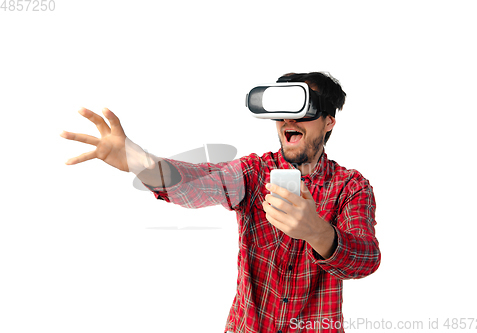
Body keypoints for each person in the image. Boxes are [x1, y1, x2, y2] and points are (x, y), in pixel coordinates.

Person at [60, 72, 381, 333]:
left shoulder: (351, 186)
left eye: (302, 111)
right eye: (281, 112)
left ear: (328, 122)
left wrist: (318, 233)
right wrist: (141, 162)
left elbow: (366, 260)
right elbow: (199, 183)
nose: (288, 120)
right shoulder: (254, 172)